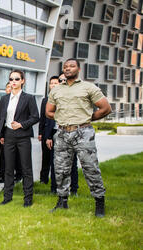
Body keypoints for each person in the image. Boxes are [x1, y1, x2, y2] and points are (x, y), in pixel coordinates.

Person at [46, 58, 111, 217]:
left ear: (78, 69)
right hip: (62, 134)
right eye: (65, 66)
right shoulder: (56, 90)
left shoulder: (88, 87)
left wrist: (86, 118)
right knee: (61, 169)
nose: (68, 69)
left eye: (72, 66)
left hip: (83, 132)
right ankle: (62, 202)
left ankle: (99, 202)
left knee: (90, 167)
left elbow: (105, 108)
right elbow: (49, 112)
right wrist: (63, 119)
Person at [0, 70, 39, 207]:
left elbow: (35, 117)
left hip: (23, 136)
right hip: (8, 136)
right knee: (8, 168)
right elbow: (1, 118)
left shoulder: (29, 98)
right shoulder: (4, 99)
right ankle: (7, 197)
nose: (13, 82)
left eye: (16, 79)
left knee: (26, 168)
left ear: (22, 81)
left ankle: (28, 199)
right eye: (11, 79)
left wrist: (21, 124)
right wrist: (1, 134)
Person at [44, 75, 78, 195]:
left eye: (64, 80)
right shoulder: (52, 98)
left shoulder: (74, 96)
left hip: (72, 132)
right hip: (56, 133)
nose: (62, 82)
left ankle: (74, 189)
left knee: (72, 163)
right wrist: (48, 137)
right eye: (60, 81)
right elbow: (48, 119)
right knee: (55, 163)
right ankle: (55, 188)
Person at [0, 82, 22, 184]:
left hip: (17, 132)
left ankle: (18, 174)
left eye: (11, 87)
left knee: (16, 155)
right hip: (4, 131)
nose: (10, 89)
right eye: (8, 87)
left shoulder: (20, 99)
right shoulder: (3, 100)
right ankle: (2, 176)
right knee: (3, 155)